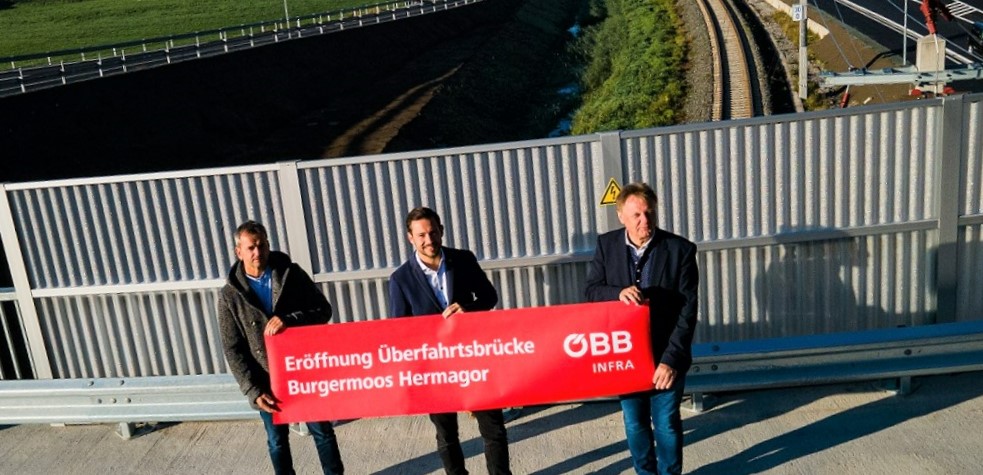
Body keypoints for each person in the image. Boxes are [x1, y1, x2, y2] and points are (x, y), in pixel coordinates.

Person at [584, 183, 698, 475]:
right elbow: (591, 291)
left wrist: (671, 360)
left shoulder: (680, 250)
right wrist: (617, 293)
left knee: (667, 424)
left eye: (649, 213)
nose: (644, 221)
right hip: (626, 357)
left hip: (665, 358)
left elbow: (688, 311)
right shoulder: (605, 246)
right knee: (634, 424)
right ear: (621, 215)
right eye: (636, 215)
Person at [388, 206, 512, 475]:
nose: (429, 240)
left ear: (442, 230)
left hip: (474, 359)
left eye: (433, 232)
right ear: (410, 238)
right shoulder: (400, 279)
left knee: (493, 429)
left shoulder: (463, 260)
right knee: (446, 435)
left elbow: (490, 297)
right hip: (434, 368)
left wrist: (467, 309)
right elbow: (400, 330)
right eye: (421, 235)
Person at [217, 220, 344, 475]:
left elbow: (323, 309)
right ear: (238, 251)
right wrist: (252, 390)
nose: (257, 252)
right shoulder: (229, 295)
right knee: (276, 441)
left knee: (323, 433)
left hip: (304, 372)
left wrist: (290, 319)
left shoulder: (291, 274)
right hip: (266, 381)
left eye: (262, 245)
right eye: (251, 247)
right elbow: (232, 348)